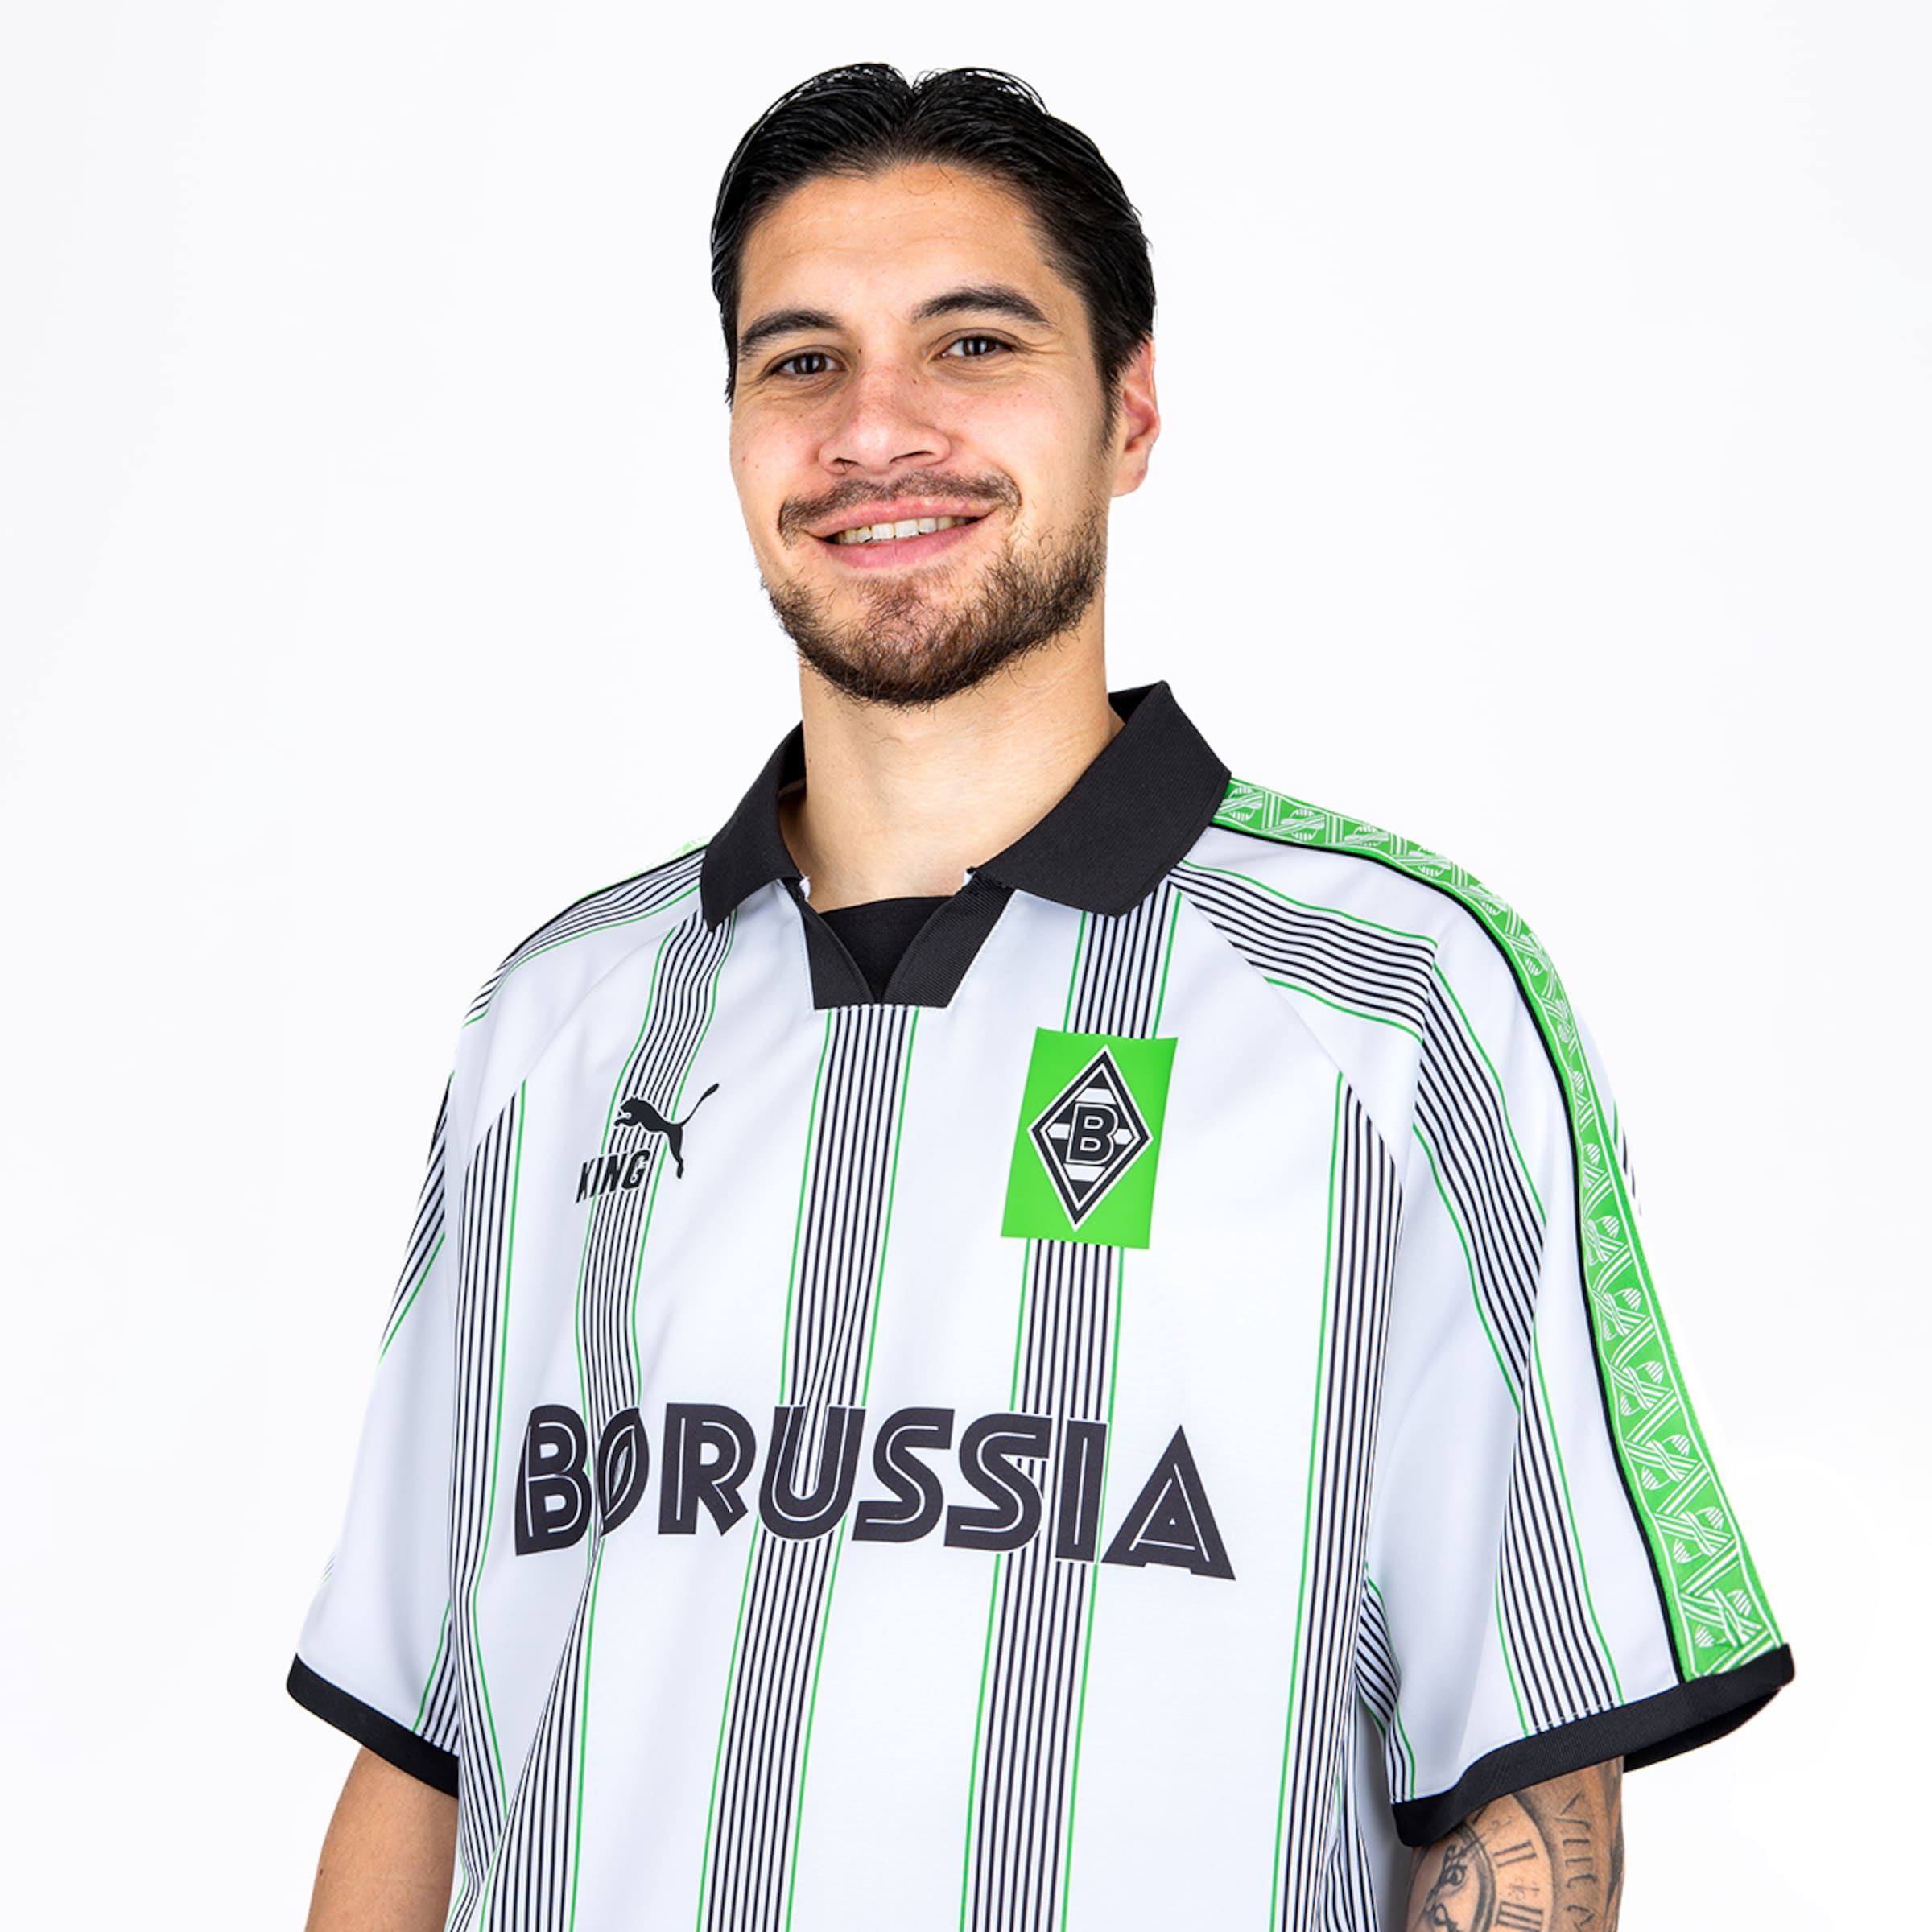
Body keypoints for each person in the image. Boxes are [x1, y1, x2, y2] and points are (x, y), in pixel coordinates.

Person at [291, 64, 1792, 1932]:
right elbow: (426, 1750)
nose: (877, 429)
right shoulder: (556, 1026)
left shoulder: (1400, 1009)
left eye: (973, 342)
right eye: (802, 361)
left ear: (1129, 409)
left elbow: (1522, 1783)